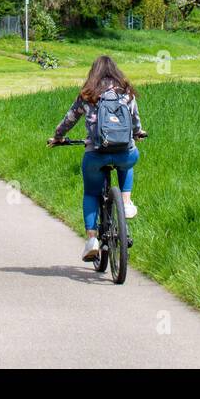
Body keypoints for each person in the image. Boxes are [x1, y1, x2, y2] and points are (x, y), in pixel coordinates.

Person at [47, 55, 146, 262]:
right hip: (124, 151)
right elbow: (135, 120)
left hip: (95, 154)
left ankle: (91, 238)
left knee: (91, 193)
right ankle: (126, 202)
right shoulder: (126, 91)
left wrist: (58, 138)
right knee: (127, 159)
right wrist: (137, 133)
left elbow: (69, 120)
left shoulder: (87, 94)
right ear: (115, 71)